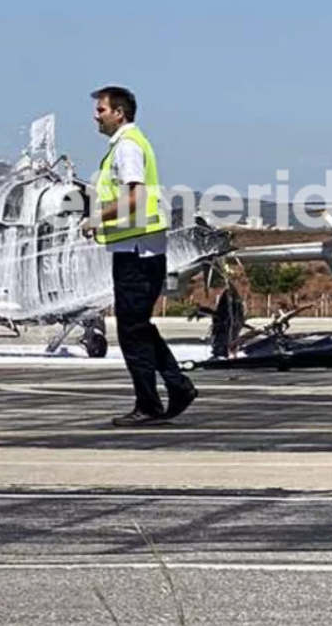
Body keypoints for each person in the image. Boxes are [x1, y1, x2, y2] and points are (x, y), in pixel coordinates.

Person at [80, 85, 197, 426]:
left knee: (132, 330)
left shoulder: (127, 147)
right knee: (137, 326)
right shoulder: (126, 145)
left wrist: (96, 217)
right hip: (136, 247)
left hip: (138, 250)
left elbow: (135, 198)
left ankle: (150, 403)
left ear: (119, 113)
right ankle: (176, 388)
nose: (95, 116)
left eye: (101, 110)